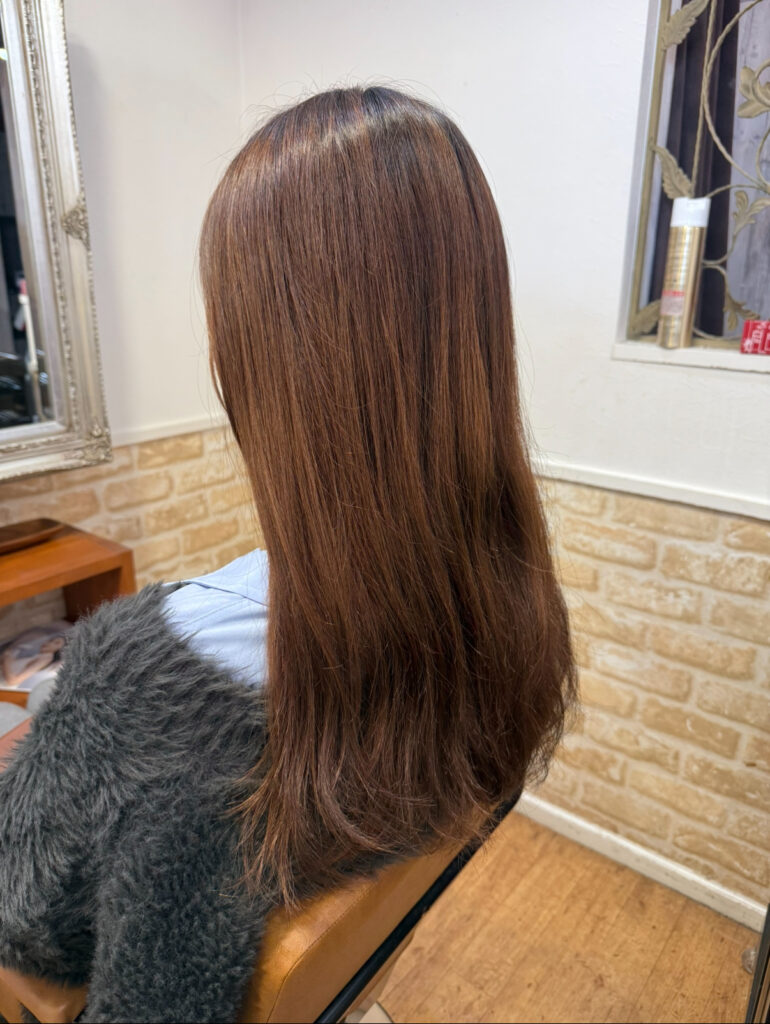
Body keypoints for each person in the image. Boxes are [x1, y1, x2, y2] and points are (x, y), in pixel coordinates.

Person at [0, 85, 577, 1022]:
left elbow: (30, 913)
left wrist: (65, 729)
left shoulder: (145, 677)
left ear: (252, 356)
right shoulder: (510, 615)